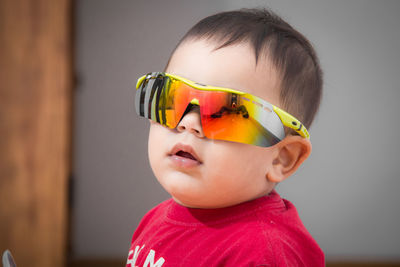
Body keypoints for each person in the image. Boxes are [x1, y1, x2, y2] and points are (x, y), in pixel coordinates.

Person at [127, 8, 324, 267]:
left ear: (282, 157)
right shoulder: (155, 218)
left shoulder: (263, 253)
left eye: (227, 112)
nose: (188, 123)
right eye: (171, 98)